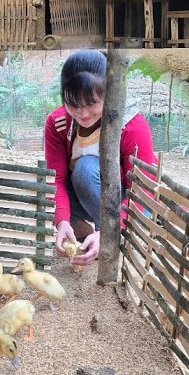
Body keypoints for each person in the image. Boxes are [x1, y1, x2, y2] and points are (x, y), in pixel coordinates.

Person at [43, 50, 157, 266]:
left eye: (92, 103)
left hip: (130, 203)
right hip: (85, 199)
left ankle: (113, 235)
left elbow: (142, 190)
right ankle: (85, 232)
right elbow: (55, 179)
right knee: (53, 194)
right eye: (74, 104)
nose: (83, 113)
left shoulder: (132, 126)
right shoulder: (58, 122)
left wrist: (110, 231)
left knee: (85, 169)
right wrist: (62, 221)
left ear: (109, 94)